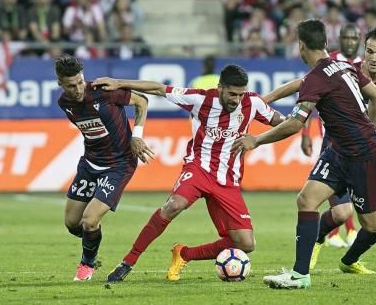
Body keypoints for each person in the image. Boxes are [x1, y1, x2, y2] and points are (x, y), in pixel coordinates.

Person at [234, 19, 376, 289]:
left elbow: (295, 122)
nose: (372, 57)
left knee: (373, 222)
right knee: (307, 200)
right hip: (339, 152)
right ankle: (300, 275)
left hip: (365, 155)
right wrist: (261, 101)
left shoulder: (336, 75)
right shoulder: (346, 67)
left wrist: (256, 140)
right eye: (369, 51)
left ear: (301, 46)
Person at [94, 65, 285, 283]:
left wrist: (260, 139)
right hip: (198, 169)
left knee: (245, 244)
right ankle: (128, 261)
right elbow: (158, 88)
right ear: (220, 88)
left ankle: (184, 254)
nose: (237, 100)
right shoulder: (200, 99)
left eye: (241, 94)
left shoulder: (253, 103)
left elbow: (286, 123)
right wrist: (119, 83)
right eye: (232, 94)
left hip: (228, 180)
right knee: (174, 205)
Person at [55, 56, 154, 282]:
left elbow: (142, 102)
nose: (78, 88)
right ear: (60, 84)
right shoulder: (65, 103)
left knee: (90, 220)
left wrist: (136, 136)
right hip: (90, 163)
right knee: (72, 224)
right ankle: (93, 237)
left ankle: (87, 264)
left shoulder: (104, 91)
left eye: (80, 82)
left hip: (119, 164)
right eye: (71, 85)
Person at [290, 23, 363, 249]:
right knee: (322, 194)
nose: (350, 41)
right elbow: (308, 98)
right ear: (337, 39)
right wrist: (305, 135)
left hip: (358, 137)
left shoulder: (363, 64)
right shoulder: (327, 62)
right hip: (332, 138)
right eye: (346, 37)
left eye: (354, 37)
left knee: (354, 198)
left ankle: (347, 229)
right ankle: (338, 232)